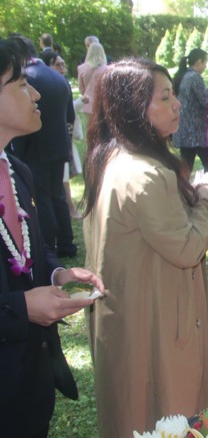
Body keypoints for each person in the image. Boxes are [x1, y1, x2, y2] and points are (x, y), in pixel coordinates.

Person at [82, 58, 208, 437]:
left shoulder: (109, 158)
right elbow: (187, 247)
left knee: (133, 409)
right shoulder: (146, 174)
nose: (177, 104)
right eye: (165, 97)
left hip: (127, 315)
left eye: (173, 94)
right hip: (158, 320)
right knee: (169, 412)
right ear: (133, 110)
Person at [0, 37, 104, 438]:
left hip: (30, 384)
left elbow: (30, 250)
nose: (37, 93)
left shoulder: (18, 171)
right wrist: (20, 307)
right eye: (20, 84)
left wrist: (58, 273)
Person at [10, 36, 78, 258]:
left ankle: (48, 246)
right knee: (57, 194)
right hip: (59, 145)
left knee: (42, 198)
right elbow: (70, 115)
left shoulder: (26, 79)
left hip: (35, 147)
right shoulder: (58, 77)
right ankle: (67, 243)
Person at [41, 50, 81, 219]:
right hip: (51, 143)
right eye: (58, 65)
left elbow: (70, 115)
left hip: (62, 140)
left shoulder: (62, 84)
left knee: (61, 181)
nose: (62, 68)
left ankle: (69, 209)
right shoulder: (50, 85)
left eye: (63, 64)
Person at [172, 48, 208, 173]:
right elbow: (205, 101)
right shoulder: (195, 77)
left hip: (184, 132)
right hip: (196, 133)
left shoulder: (183, 75)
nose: (205, 66)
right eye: (205, 63)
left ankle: (182, 186)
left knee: (186, 169)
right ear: (199, 61)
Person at [77, 42, 107, 115]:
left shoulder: (81, 68)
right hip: (102, 104)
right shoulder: (107, 69)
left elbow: (81, 89)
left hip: (87, 104)